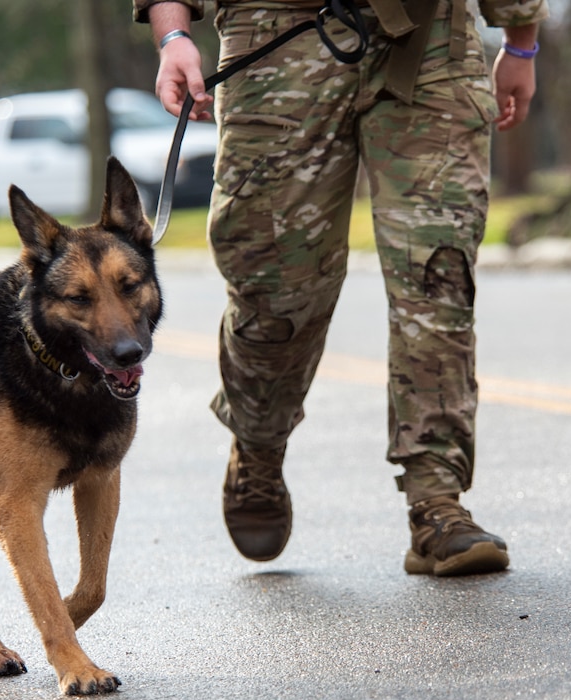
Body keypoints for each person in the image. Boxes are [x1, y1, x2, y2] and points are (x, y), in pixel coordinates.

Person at [134, 0, 548, 576]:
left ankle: (436, 502)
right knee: (274, 285)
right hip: (278, 32)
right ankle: (257, 439)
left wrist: (521, 38)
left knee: (439, 273)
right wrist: (172, 33)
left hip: (431, 39)